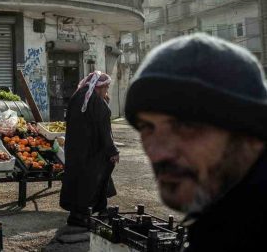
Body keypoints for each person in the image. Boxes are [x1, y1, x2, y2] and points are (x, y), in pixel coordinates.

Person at [125, 35, 266, 251]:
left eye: (185, 126)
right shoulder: (222, 222)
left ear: (252, 137)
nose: (156, 153)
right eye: (147, 127)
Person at [60, 71, 119, 227]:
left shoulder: (77, 97)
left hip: (75, 150)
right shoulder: (98, 103)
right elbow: (104, 131)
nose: (107, 91)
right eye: (106, 88)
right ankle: (82, 216)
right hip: (93, 152)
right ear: (100, 87)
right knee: (91, 182)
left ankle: (92, 211)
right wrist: (113, 151)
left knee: (77, 181)